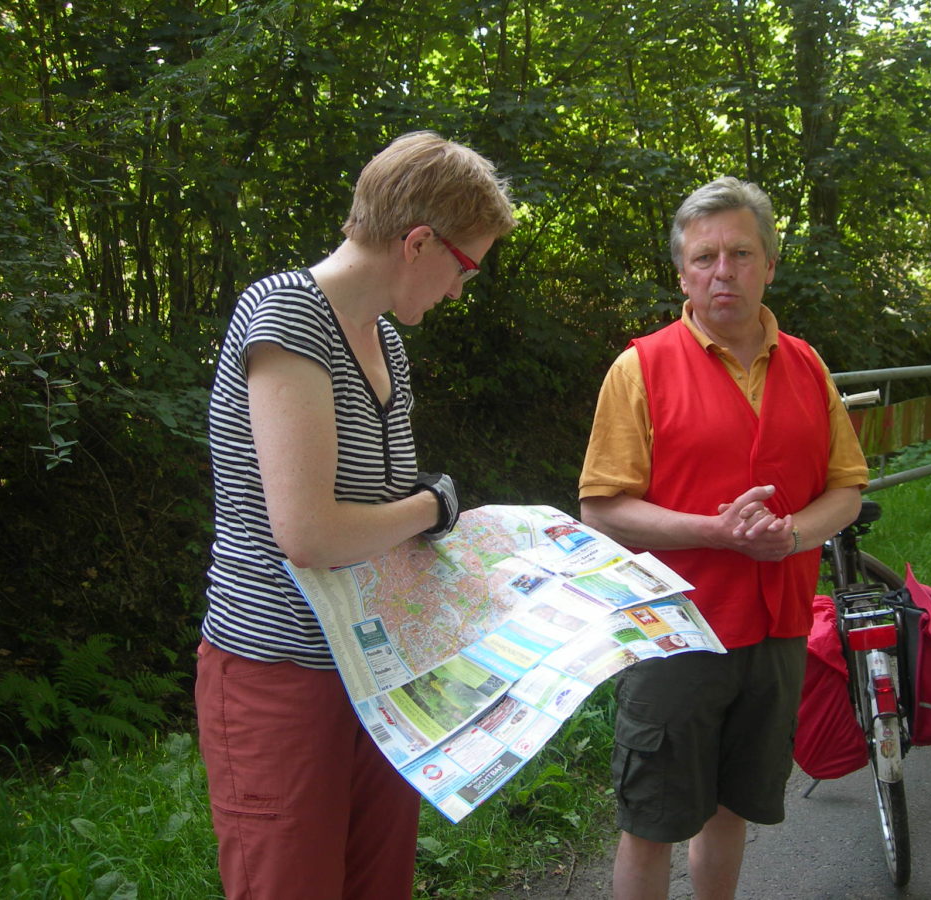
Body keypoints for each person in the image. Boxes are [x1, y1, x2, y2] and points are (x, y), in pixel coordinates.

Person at [196, 131, 515, 900]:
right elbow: (308, 535)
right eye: (465, 266)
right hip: (281, 675)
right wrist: (433, 506)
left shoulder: (387, 346)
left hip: (373, 670)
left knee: (379, 884)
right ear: (417, 242)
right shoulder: (287, 316)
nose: (458, 291)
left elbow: (380, 520)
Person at [577, 176, 868, 899]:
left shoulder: (808, 365)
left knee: (734, 805)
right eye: (705, 257)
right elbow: (602, 509)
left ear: (770, 264)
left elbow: (848, 489)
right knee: (651, 819)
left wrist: (796, 534)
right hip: (674, 632)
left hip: (777, 632)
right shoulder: (640, 367)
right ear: (682, 272)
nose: (723, 271)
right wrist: (717, 533)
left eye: (741, 253)